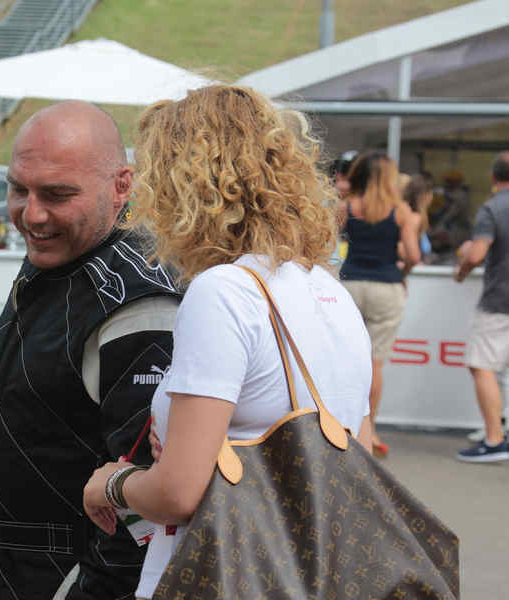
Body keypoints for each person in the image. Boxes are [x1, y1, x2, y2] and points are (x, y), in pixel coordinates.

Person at [78, 84, 373, 600]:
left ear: (181, 187)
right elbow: (357, 455)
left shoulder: (224, 291)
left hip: (231, 573)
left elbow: (178, 492)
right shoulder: (328, 291)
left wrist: (110, 485)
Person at [0, 101, 181, 600]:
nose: (32, 214)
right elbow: (57, 416)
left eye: (58, 195)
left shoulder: (135, 301)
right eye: (19, 190)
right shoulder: (61, 256)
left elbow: (142, 511)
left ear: (122, 186)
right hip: (3, 572)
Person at [337, 151, 421, 458]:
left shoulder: (345, 207)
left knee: (345, 360)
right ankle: (369, 431)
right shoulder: (401, 212)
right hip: (386, 286)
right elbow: (414, 256)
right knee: (375, 364)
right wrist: (402, 272)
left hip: (350, 286)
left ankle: (341, 425)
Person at [453, 151, 509, 462]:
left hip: (500, 299)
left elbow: (476, 255)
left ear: (492, 177)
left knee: (482, 365)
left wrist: (461, 269)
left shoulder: (494, 207)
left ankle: (494, 440)